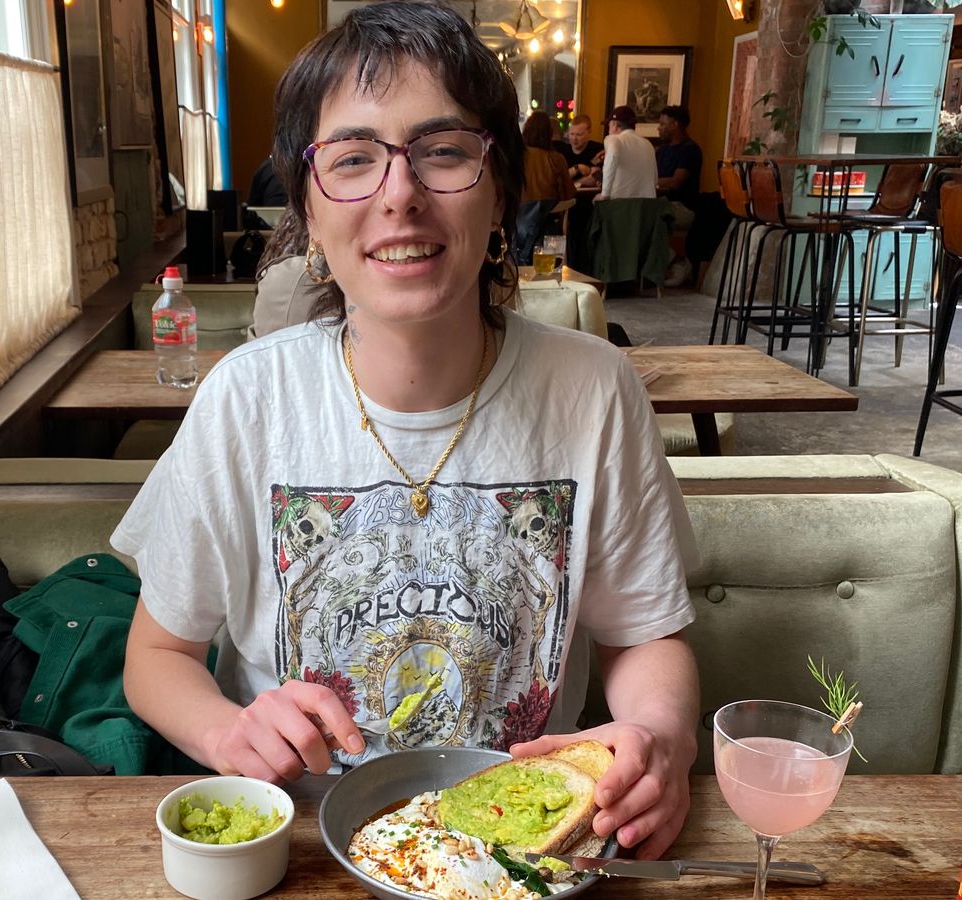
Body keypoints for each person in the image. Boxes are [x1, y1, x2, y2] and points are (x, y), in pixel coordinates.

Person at [114, 0, 700, 861]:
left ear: (500, 195)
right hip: (302, 848)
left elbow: (643, 635)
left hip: (530, 850)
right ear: (308, 210)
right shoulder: (246, 398)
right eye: (353, 159)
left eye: (443, 152)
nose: (400, 195)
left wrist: (661, 739)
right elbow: (157, 655)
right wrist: (227, 731)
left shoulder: (595, 389)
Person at [515, 110, 575, 266]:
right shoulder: (556, 159)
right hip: (547, 232)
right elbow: (568, 195)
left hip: (516, 228)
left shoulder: (516, 157)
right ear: (549, 134)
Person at [655, 105, 702, 286]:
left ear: (675, 125)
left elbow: (676, 181)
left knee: (647, 217)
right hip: (662, 202)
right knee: (638, 213)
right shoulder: (662, 150)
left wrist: (653, 180)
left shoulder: (690, 150)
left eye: (662, 124)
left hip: (683, 206)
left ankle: (677, 260)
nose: (658, 128)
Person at [595, 105, 657, 201]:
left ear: (615, 125)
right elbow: (654, 178)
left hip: (620, 204)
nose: (608, 130)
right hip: (646, 205)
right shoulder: (648, 143)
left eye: (609, 126)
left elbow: (610, 162)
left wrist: (604, 195)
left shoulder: (614, 139)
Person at [560, 113, 604, 186]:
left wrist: (571, 183)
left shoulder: (598, 150)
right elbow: (558, 179)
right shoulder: (562, 151)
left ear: (589, 133)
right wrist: (577, 168)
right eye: (572, 134)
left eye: (579, 134)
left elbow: (594, 179)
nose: (574, 138)